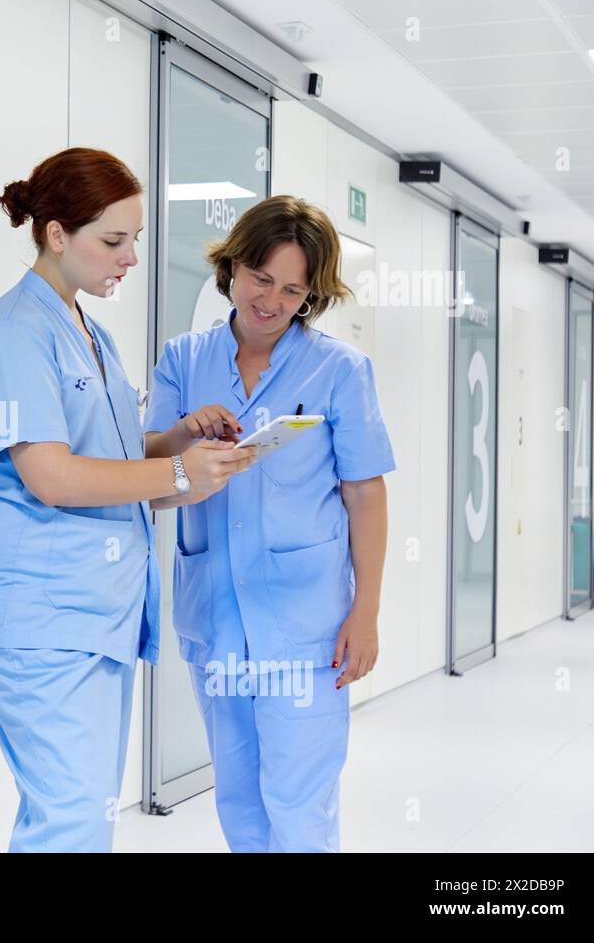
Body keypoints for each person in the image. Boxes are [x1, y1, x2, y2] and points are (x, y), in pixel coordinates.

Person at [0, 147, 256, 852]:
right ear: (56, 233)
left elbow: (113, 460)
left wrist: (179, 438)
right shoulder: (13, 332)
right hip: (42, 614)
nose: (129, 259)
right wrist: (181, 476)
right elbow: (52, 475)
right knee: (69, 821)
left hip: (94, 612)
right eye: (112, 241)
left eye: (135, 241)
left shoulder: (90, 332)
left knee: (82, 818)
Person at [144, 194, 394, 852]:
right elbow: (148, 475)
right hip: (216, 617)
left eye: (292, 290)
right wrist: (182, 432)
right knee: (240, 801)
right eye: (260, 279)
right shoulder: (183, 359)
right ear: (232, 267)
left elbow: (365, 493)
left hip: (307, 627)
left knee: (299, 804)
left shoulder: (340, 370)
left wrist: (365, 610)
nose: (271, 301)